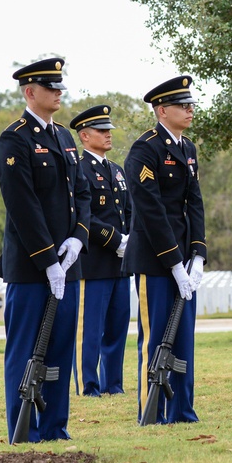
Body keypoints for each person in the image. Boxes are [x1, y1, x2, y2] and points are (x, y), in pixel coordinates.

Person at [0, 57, 91, 443]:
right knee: (25, 351)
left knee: (60, 347)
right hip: (32, 267)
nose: (59, 93)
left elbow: (82, 193)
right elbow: (22, 206)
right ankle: (25, 430)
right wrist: (48, 259)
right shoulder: (14, 139)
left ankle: (54, 426)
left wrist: (78, 239)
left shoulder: (65, 138)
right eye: (51, 88)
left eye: (60, 87)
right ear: (30, 92)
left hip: (67, 263)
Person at [122, 76, 207, 424]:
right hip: (156, 259)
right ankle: (151, 411)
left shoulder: (187, 148)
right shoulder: (145, 149)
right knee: (156, 338)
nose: (189, 110)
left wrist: (198, 253)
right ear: (161, 110)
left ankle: (182, 410)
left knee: (183, 337)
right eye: (182, 105)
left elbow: (195, 203)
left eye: (190, 105)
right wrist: (174, 262)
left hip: (184, 256)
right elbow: (151, 211)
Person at [69, 105, 133, 397]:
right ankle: (88, 385)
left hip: (120, 262)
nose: (108, 135)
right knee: (89, 330)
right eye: (101, 131)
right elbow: (84, 215)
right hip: (93, 261)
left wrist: (130, 239)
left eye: (109, 130)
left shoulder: (116, 170)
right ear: (84, 136)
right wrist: (116, 239)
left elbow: (128, 210)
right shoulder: (79, 169)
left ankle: (113, 384)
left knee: (117, 327)